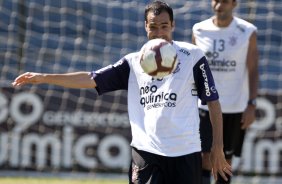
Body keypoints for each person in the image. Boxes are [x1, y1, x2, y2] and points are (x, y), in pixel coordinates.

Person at [13, 1, 232, 183]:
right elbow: (91, 78)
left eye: (164, 26)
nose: (159, 33)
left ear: (173, 25)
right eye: (153, 27)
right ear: (145, 26)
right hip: (146, 152)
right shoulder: (133, 62)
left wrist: (218, 148)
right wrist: (44, 77)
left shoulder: (192, 56)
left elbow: (213, 102)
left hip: (185, 152)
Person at [192, 0, 259, 183]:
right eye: (216, 0)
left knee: (225, 162)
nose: (219, 5)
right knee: (204, 158)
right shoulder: (199, 29)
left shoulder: (248, 31)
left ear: (234, 3)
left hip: (234, 107)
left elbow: (253, 70)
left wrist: (252, 104)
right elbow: (194, 70)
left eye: (225, 1)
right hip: (205, 106)